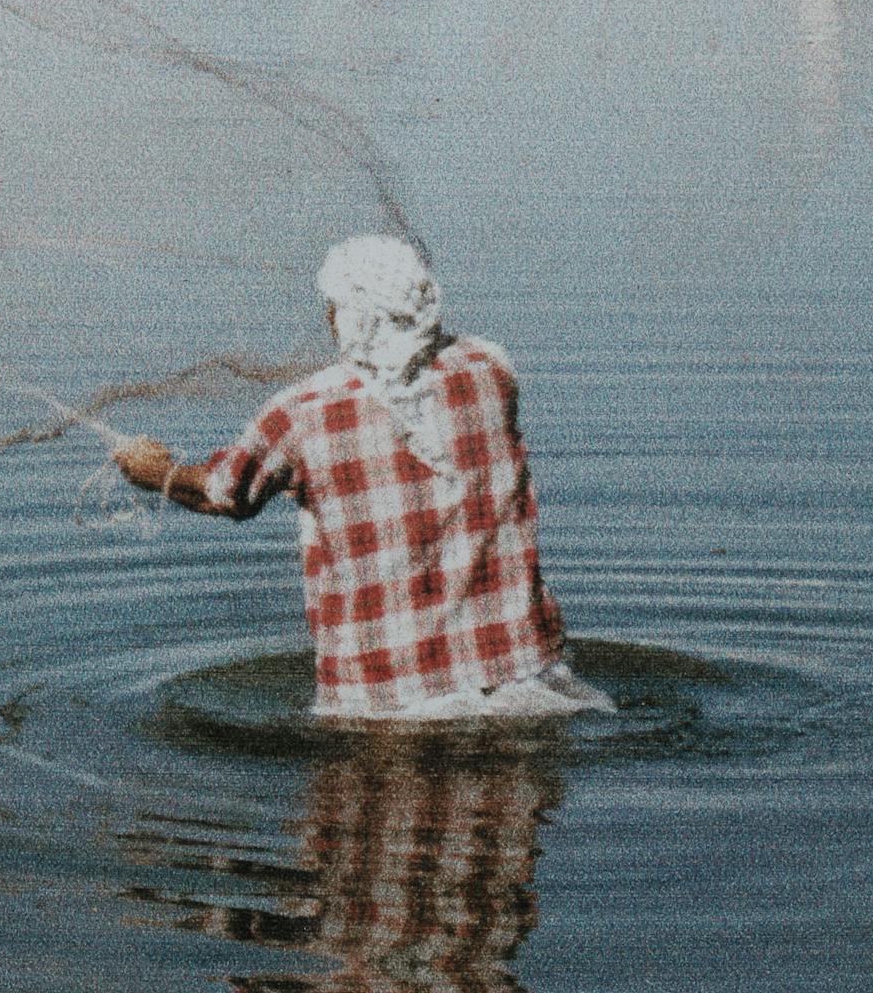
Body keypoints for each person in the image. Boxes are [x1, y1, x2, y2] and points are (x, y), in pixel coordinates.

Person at [116, 234, 608, 723]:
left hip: (387, 704)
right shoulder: (492, 371)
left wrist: (153, 471)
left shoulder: (301, 413)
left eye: (331, 308)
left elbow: (223, 493)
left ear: (350, 317)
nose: (328, 319)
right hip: (528, 681)